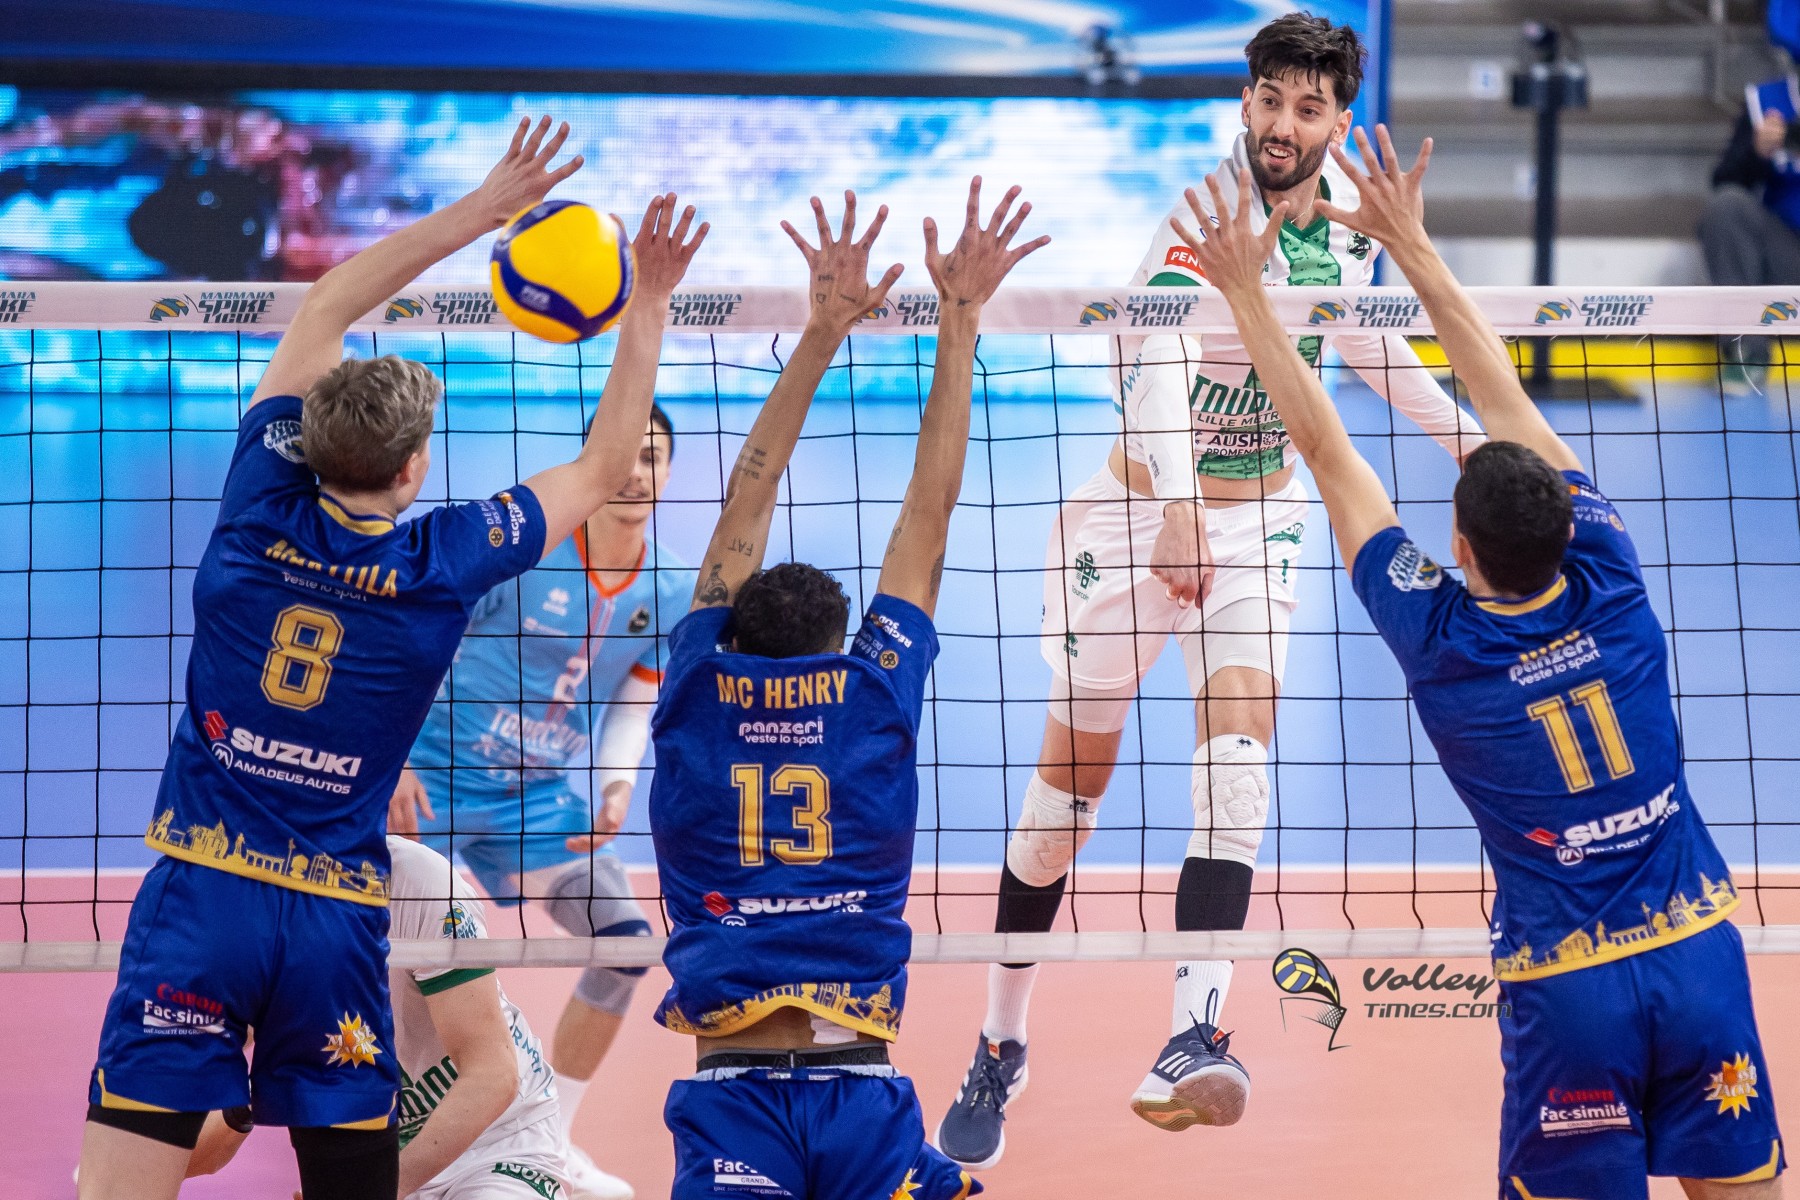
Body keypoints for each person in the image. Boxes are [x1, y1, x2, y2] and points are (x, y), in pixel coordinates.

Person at [76, 113, 705, 1200]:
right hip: (334, 921)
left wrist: (482, 207)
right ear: (414, 471)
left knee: (119, 1186)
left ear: (303, 444)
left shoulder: (254, 510)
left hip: (201, 899)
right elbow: (608, 466)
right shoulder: (443, 559)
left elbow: (326, 303)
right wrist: (646, 298)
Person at [1187, 122, 1784, 1200]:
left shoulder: (1442, 639)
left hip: (1569, 992)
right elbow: (1501, 395)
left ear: (1457, 551)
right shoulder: (1612, 575)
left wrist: (1243, 294)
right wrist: (1412, 244)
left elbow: (1326, 450)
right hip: (1698, 953)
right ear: (1566, 518)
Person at [936, 11, 1485, 1167]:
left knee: (1238, 771)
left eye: (1307, 107)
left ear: (1339, 119)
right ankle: (1000, 1038)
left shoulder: (1347, 230)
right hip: (1138, 517)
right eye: (1269, 100)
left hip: (1261, 524)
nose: (1283, 125)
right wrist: (1181, 503)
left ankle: (1192, 1035)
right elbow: (1158, 359)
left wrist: (1475, 448)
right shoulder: (1203, 214)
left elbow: (1369, 346)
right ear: (1246, 101)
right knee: (1061, 811)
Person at [648, 178, 1045, 1200]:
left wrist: (821, 330)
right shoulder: (872, 694)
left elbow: (745, 500)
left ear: (730, 636)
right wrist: (960, 316)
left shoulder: (697, 687)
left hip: (734, 1100)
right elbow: (930, 510)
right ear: (839, 646)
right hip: (864, 1098)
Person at [393, 399, 695, 1200]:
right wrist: (395, 759)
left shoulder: (670, 588)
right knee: (345, 951)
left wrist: (617, 784)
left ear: (670, 473)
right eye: (624, 453)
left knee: (625, 946)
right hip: (429, 782)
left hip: (533, 802)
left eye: (653, 457)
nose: (635, 472)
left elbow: (634, 695)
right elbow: (418, 644)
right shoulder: (525, 554)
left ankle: (553, 1138)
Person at [183, 836, 569, 1199]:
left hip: (498, 1140)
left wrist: (377, 1191)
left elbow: (493, 1075)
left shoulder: (416, 883)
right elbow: (195, 1152)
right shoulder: (249, 918)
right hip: (370, 1152)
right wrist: (244, 1097)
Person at [1698, 70, 1800, 388]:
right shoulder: (1766, 102)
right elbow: (1724, 178)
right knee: (1727, 206)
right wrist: (1756, 152)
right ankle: (1746, 352)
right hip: (1787, 256)